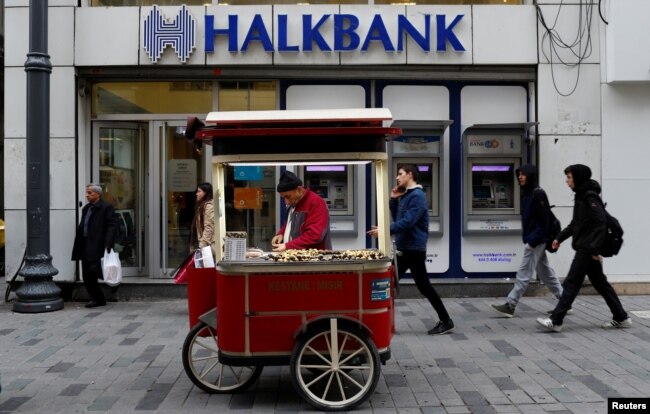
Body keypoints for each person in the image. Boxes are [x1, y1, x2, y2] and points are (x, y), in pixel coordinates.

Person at [537, 164, 632, 332]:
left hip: (587, 249)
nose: (567, 181)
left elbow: (600, 222)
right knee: (600, 283)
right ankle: (621, 317)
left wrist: (594, 250)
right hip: (587, 248)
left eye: (569, 177)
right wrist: (559, 238)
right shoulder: (581, 196)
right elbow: (576, 223)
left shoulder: (589, 197)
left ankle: (556, 320)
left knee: (572, 283)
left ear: (578, 178)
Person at [369, 164, 453, 335]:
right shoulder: (407, 195)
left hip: (413, 249)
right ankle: (385, 323)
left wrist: (384, 231)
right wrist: (393, 199)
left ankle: (446, 320)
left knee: (406, 284)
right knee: (393, 282)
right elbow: (398, 218)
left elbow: (407, 222)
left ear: (410, 174)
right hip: (406, 247)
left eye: (400, 174)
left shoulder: (417, 196)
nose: (397, 177)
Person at [490, 164, 563, 317]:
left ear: (531, 176)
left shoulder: (538, 193)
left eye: (524, 174)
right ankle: (565, 301)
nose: (520, 177)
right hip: (533, 237)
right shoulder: (526, 193)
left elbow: (544, 221)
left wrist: (533, 240)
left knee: (524, 272)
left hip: (536, 239)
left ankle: (510, 304)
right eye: (519, 174)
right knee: (545, 272)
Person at [72, 183, 118, 308]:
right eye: (87, 193)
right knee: (86, 274)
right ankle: (97, 298)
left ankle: (111, 289)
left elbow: (112, 226)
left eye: (90, 193)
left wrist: (108, 243)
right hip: (85, 244)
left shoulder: (106, 207)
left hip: (98, 245)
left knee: (95, 270)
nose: (87, 195)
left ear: (98, 194)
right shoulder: (86, 208)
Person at [271, 171, 332, 252]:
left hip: (314, 260)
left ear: (299, 189)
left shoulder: (317, 203)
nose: (286, 202)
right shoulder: (294, 202)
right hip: (298, 257)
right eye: (283, 198)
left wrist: (287, 246)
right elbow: (289, 224)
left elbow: (314, 235)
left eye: (288, 196)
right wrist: (281, 233)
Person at [190, 182, 215, 257]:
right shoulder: (202, 205)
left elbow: (209, 227)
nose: (196, 194)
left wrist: (201, 246)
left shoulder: (209, 206)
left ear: (206, 193)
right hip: (203, 245)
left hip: (208, 247)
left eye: (199, 191)